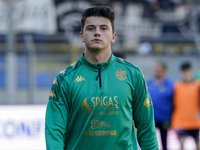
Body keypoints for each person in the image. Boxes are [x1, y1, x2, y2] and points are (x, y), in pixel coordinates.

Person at [45, 6, 159, 150]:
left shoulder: (133, 74)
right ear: (81, 35)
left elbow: (146, 129)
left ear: (113, 36)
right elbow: (54, 133)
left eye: (104, 28)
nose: (97, 33)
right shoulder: (64, 79)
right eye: (91, 28)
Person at [171, 62, 200, 150]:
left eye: (188, 71)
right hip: (181, 121)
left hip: (195, 121)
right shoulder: (177, 86)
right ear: (181, 73)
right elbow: (172, 103)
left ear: (191, 71)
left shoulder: (197, 85)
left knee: (197, 145)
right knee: (181, 144)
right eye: (184, 71)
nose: (186, 74)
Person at [147, 62, 173, 150]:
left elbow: (174, 102)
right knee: (149, 141)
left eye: (159, 69)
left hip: (164, 119)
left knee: (164, 141)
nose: (156, 71)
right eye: (155, 69)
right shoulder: (149, 83)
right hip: (150, 118)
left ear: (164, 71)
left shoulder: (169, 85)